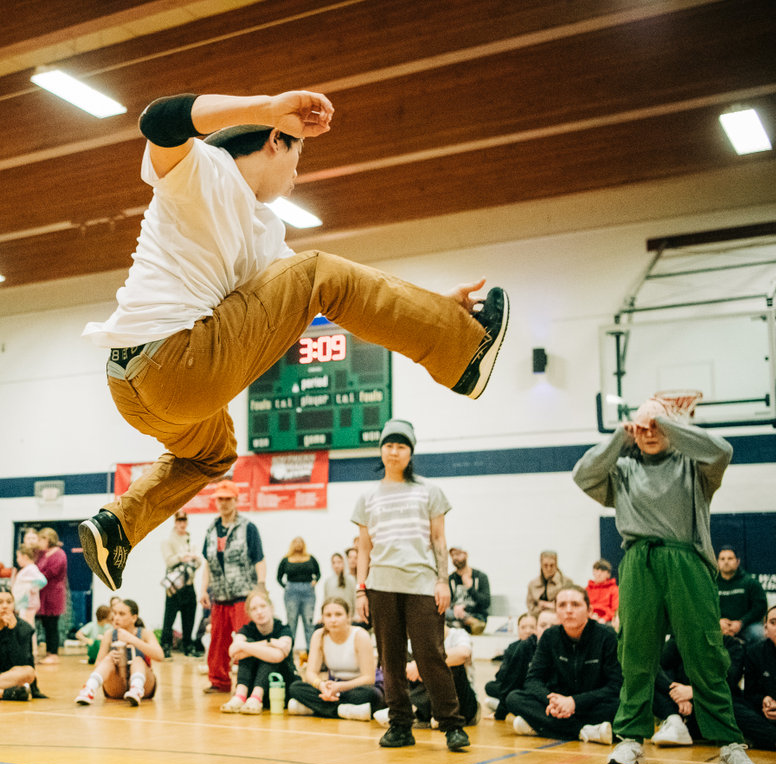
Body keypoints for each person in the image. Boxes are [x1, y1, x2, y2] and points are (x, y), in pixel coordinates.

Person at [76, 89, 509, 592]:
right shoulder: (201, 167)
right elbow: (157, 119)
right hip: (177, 360)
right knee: (320, 272)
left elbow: (351, 292)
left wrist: (435, 301)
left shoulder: (265, 231)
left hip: (130, 383)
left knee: (213, 453)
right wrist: (266, 108)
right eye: (298, 156)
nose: (297, 174)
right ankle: (463, 352)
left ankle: (119, 526)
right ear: (277, 141)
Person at [573, 397, 755, 764]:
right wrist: (618, 439)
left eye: (657, 427)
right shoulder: (622, 469)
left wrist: (664, 422)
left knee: (706, 653)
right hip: (639, 561)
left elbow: (723, 450)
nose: (649, 433)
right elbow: (583, 475)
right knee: (635, 654)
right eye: (642, 427)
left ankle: (728, 742)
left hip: (687, 560)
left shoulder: (694, 466)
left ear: (672, 429)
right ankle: (630, 739)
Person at [355, 419, 470, 751]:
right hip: (381, 586)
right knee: (389, 660)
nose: (394, 451)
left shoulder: (429, 491)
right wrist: (361, 588)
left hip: (422, 584)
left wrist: (443, 580)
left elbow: (438, 539)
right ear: (381, 450)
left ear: (410, 452)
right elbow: (364, 547)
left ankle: (451, 725)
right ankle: (400, 726)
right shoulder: (367, 496)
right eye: (389, 445)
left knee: (431, 655)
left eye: (401, 446)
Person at [505, 586, 620, 742]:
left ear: (589, 610)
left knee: (619, 705)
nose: (568, 610)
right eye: (562, 605)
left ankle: (541, 727)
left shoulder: (606, 636)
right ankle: (585, 731)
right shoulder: (549, 636)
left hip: (591, 704)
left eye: (575, 604)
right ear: (556, 612)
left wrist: (574, 702)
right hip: (558, 704)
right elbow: (532, 680)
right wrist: (554, 702)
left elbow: (614, 685)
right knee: (514, 698)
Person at [195, 479, 265, 694]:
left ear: (236, 500)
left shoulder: (248, 528)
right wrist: (204, 589)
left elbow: (259, 560)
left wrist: (260, 588)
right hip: (219, 595)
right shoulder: (210, 530)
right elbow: (208, 562)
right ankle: (219, 681)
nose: (223, 503)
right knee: (217, 640)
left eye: (227, 499)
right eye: (220, 499)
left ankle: (251, 680)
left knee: (247, 639)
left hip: (244, 594)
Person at [287, 597, 379, 720]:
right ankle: (343, 710)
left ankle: (316, 708)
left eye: (338, 614)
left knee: (371, 695)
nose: (333, 620)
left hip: (356, 688)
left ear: (348, 617)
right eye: (328, 615)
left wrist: (340, 687)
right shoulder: (319, 635)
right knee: (295, 687)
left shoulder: (360, 635)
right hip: (332, 688)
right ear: (322, 618)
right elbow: (310, 673)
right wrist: (321, 686)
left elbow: (369, 678)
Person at [650, 632, 745, 748]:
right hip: (682, 707)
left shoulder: (732, 644)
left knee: (734, 703)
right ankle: (674, 721)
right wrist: (677, 693)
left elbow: (730, 678)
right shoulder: (680, 638)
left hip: (711, 705)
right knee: (648, 680)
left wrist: (694, 692)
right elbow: (656, 667)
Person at [217, 588, 295, 714]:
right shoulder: (247, 629)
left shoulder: (283, 629)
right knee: (259, 648)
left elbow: (277, 657)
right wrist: (268, 643)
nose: (259, 612)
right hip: (252, 685)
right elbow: (233, 652)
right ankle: (240, 696)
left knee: (266, 654)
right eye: (254, 609)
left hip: (280, 685)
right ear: (249, 613)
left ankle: (256, 698)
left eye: (263, 606)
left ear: (271, 608)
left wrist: (245, 646)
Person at [75, 597, 163, 706]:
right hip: (116, 685)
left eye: (121, 614)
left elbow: (160, 656)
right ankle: (88, 690)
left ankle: (136, 689)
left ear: (134, 618)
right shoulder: (109, 634)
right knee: (108, 658)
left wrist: (133, 640)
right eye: (115, 613)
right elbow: (98, 664)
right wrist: (110, 656)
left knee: (138, 660)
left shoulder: (145, 633)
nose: (116, 618)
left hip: (145, 686)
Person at [731, 603, 776, 752]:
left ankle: (764, 738)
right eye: (773, 622)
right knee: (731, 705)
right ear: (765, 629)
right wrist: (764, 700)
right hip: (765, 716)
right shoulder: (754, 653)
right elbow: (751, 694)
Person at [483, 610, 555, 719]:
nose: (528, 631)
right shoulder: (517, 647)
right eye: (523, 627)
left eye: (531, 627)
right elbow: (505, 679)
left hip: (544, 691)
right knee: (494, 688)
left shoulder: (554, 645)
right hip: (520, 688)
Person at [160, 512, 201, 658]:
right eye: (179, 520)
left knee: (189, 617)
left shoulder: (190, 540)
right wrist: (183, 556)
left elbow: (199, 561)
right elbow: (169, 561)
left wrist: (193, 558)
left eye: (184, 520)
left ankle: (188, 646)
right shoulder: (168, 540)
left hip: (189, 584)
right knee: (169, 618)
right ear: (175, 522)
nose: (182, 523)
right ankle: (165, 646)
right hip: (175, 585)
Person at [716, 546, 767, 645]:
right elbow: (704, 607)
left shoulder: (751, 582)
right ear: (717, 562)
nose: (726, 562)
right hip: (717, 626)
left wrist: (741, 623)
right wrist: (718, 621)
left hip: (746, 626)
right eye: (722, 559)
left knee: (760, 634)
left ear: (737, 561)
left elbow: (760, 607)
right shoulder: (711, 584)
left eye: (730, 558)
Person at [277, 536, 319, 651]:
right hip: (291, 592)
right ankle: (289, 652)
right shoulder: (286, 559)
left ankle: (311, 653)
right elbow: (279, 577)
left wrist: (315, 581)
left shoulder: (310, 558)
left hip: (308, 592)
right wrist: (286, 587)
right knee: (291, 623)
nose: (298, 544)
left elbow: (318, 573)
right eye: (296, 542)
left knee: (309, 623)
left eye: (301, 542)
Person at [34, 527, 68, 665]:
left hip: (53, 594)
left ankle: (53, 653)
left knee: (52, 625)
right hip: (43, 593)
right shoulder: (43, 554)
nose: (39, 542)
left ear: (48, 539)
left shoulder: (59, 554)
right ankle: (48, 652)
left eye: (41, 539)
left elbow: (49, 573)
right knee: (45, 624)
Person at [446, 546, 491, 634]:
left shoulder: (480, 577)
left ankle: (467, 623)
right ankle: (466, 623)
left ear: (465, 554)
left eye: (458, 554)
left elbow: (486, 603)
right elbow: (447, 603)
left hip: (476, 614)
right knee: (445, 614)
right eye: (452, 555)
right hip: (455, 614)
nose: (455, 558)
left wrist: (470, 588)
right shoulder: (450, 579)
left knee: (478, 619)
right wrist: (454, 608)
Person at [10, 544, 46, 629]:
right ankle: (30, 642)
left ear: (25, 557)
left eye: (18, 557)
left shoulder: (31, 569)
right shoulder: (27, 569)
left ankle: (30, 642)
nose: (17, 560)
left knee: (27, 627)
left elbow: (43, 581)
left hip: (28, 604)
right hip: (24, 604)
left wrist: (33, 588)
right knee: (27, 627)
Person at [524, 551, 569, 618]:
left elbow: (569, 605)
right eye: (545, 565)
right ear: (541, 565)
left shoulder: (566, 582)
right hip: (538, 619)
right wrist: (540, 609)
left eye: (552, 565)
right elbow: (530, 607)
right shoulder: (533, 584)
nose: (549, 569)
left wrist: (549, 605)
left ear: (556, 565)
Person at [321, 551, 358, 625]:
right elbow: (325, 601)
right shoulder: (328, 582)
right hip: (332, 616)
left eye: (339, 562)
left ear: (344, 563)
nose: (336, 565)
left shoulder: (351, 579)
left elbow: (355, 598)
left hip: (348, 617)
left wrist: (356, 616)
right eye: (334, 563)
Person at [586, 559, 619, 626]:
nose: (599, 573)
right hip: (589, 618)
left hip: (607, 621)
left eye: (603, 570)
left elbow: (615, 610)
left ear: (608, 574)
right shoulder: (587, 590)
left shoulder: (614, 589)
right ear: (593, 572)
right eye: (597, 570)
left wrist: (604, 619)